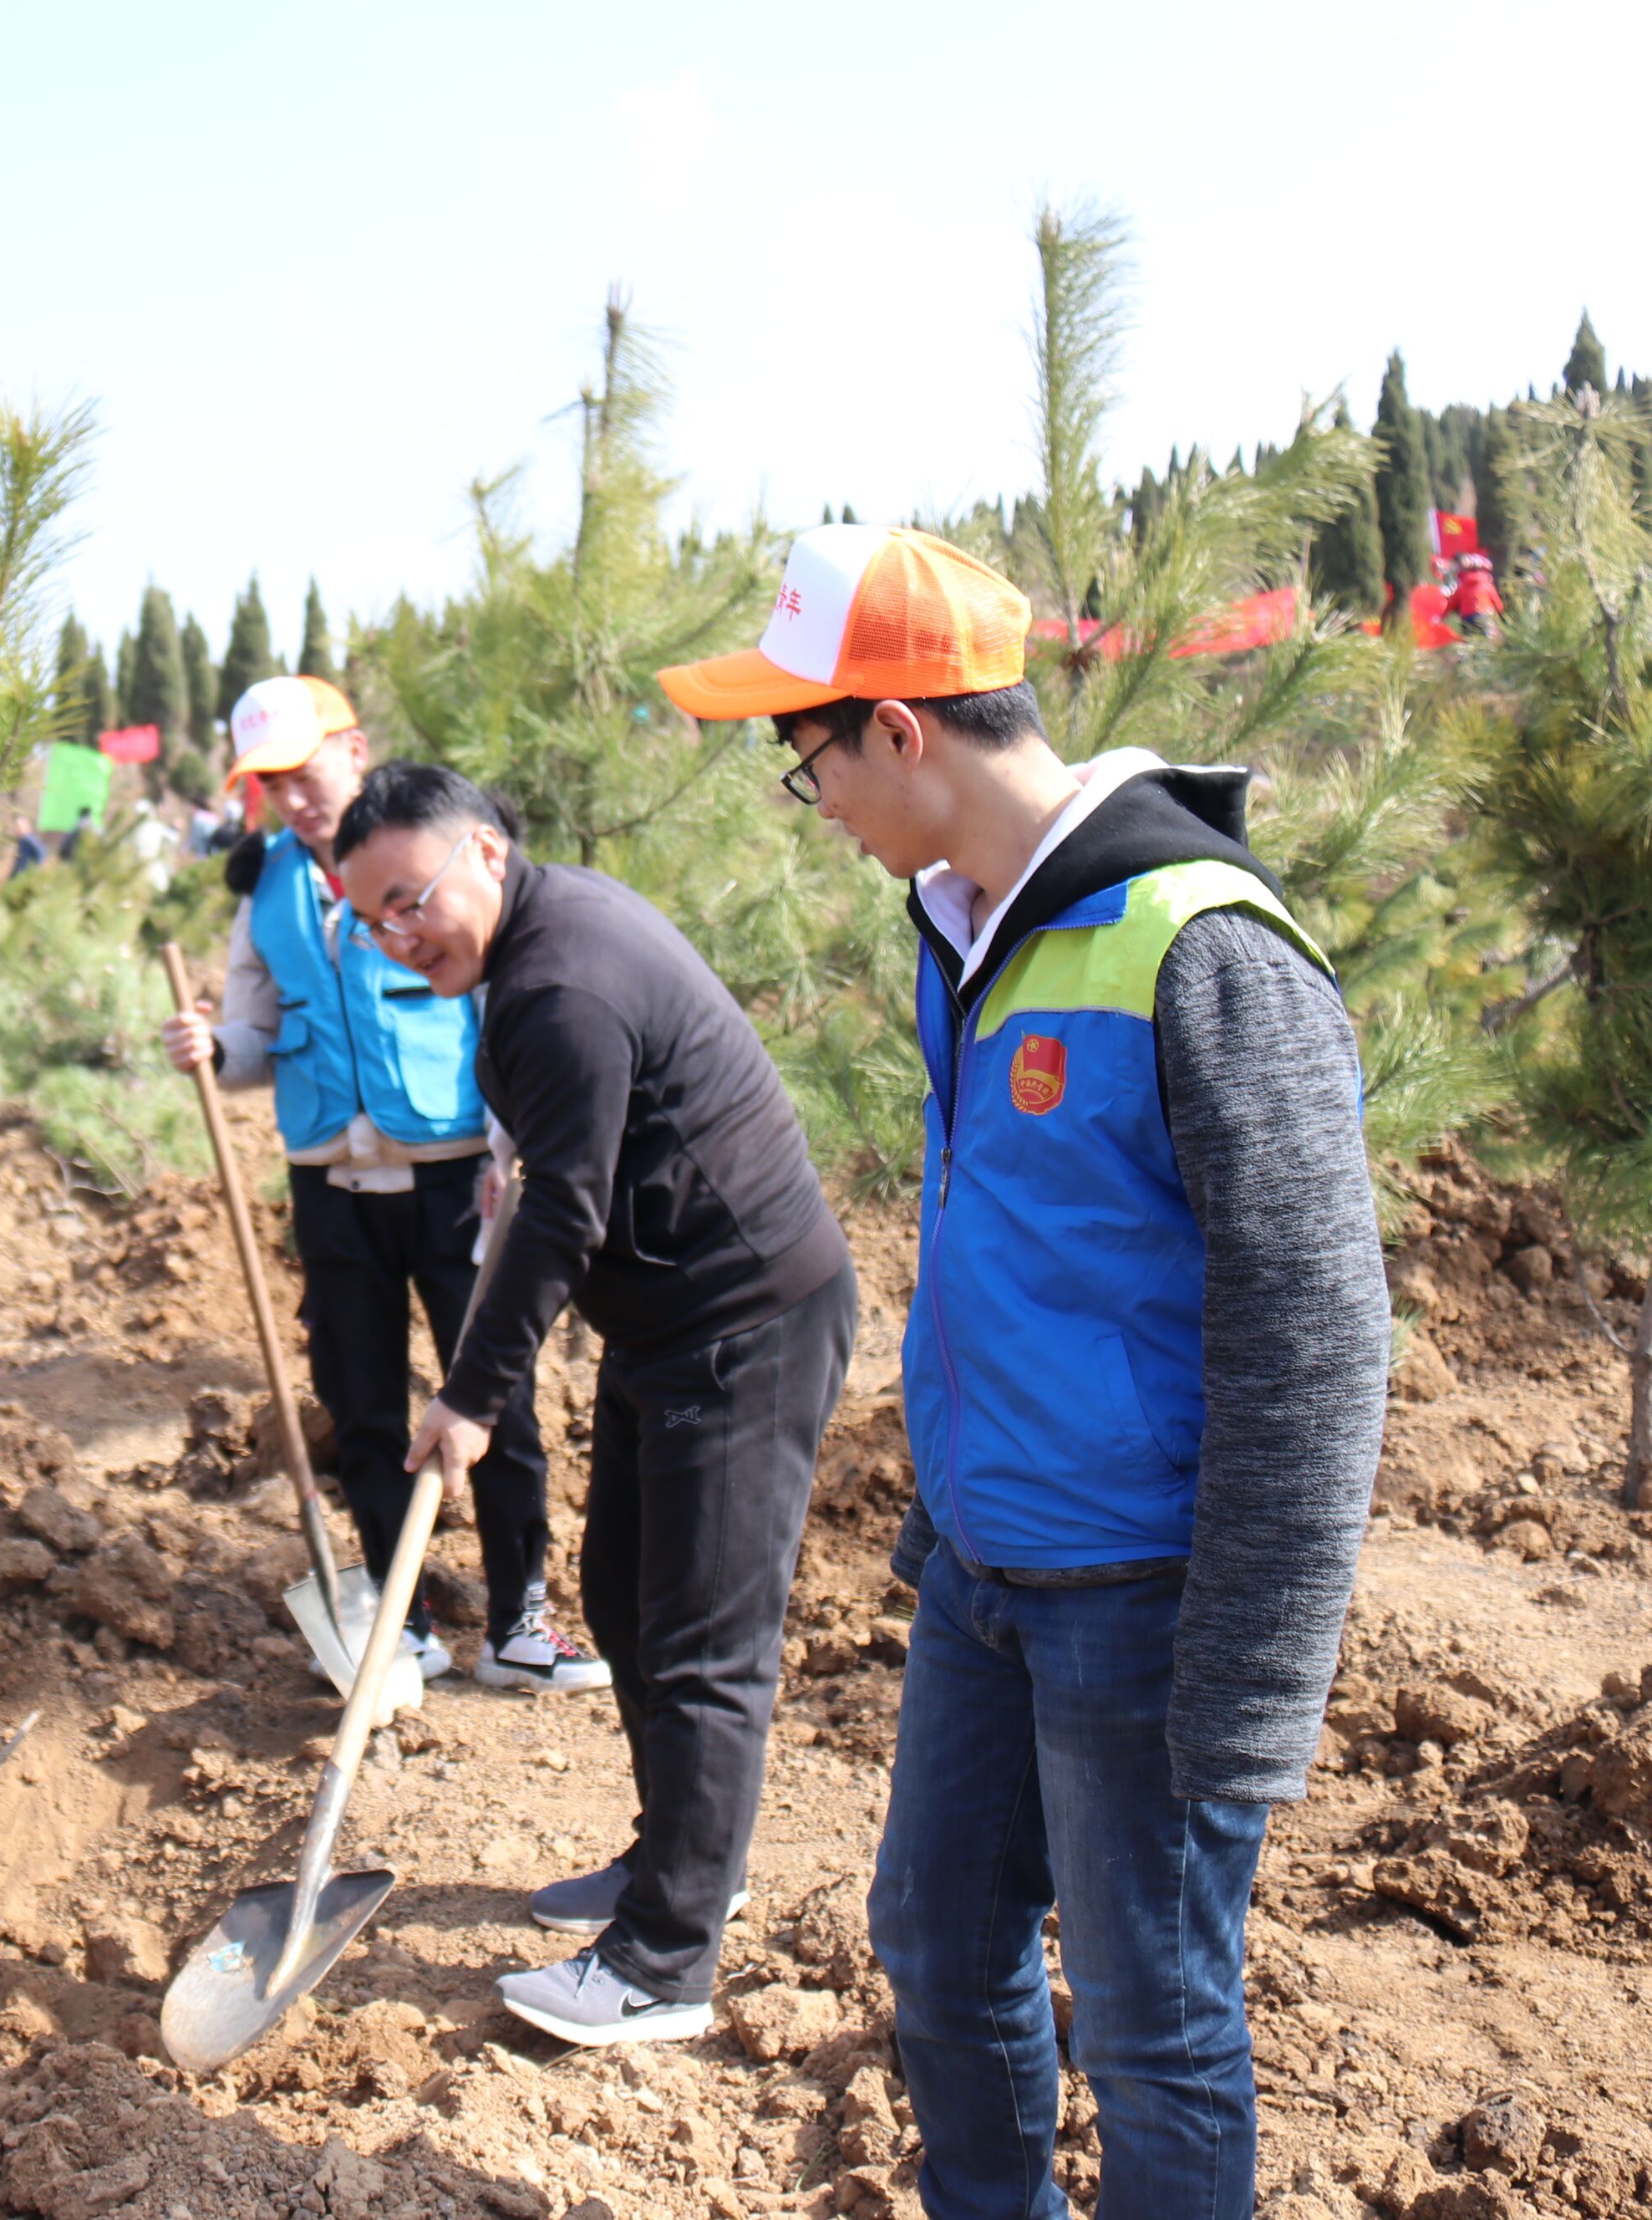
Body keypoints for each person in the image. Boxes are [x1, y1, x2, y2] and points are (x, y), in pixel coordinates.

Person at [678, 522, 1385, 2213]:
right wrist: (946, 1515)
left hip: (1145, 1597)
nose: (809, 800)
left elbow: (1315, 1332)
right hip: (988, 1575)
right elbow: (1022, 1259)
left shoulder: (1200, 946)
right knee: (934, 1938)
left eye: (803, 756)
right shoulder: (966, 926)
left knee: (1152, 2022)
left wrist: (1254, 1673)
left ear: (897, 729)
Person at [337, 760, 852, 2046]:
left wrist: (471, 1396)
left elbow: (566, 1214)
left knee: (703, 1643)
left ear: (485, 854)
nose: (398, 935)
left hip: (742, 1323)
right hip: (667, 1318)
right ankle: (680, 1857)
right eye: (372, 919)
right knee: (622, 1599)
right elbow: (567, 1163)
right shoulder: (536, 948)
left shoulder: (558, 981)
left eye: (409, 901)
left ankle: (667, 1961)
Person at [165, 675, 597, 1695]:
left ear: (354, 751)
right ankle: (401, 1625)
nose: (292, 798)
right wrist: (214, 1048)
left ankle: (519, 1621)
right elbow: (254, 1028)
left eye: (304, 772)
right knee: (359, 1404)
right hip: (333, 1186)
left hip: (456, 1179)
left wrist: (506, 1156)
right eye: (269, 784)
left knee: (491, 1393)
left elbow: (503, 1011)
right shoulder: (267, 885)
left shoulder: (433, 858)